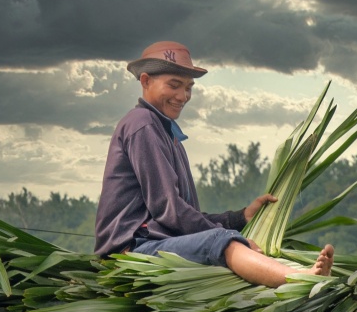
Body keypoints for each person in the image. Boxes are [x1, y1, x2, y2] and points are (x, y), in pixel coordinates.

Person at [94, 40, 333, 286]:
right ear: (145, 81)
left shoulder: (169, 134)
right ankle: (298, 279)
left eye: (189, 88)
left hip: (156, 241)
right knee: (222, 242)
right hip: (132, 249)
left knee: (222, 238)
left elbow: (186, 214)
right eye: (174, 85)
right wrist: (230, 236)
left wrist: (240, 218)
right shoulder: (142, 124)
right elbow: (170, 210)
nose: (183, 96)